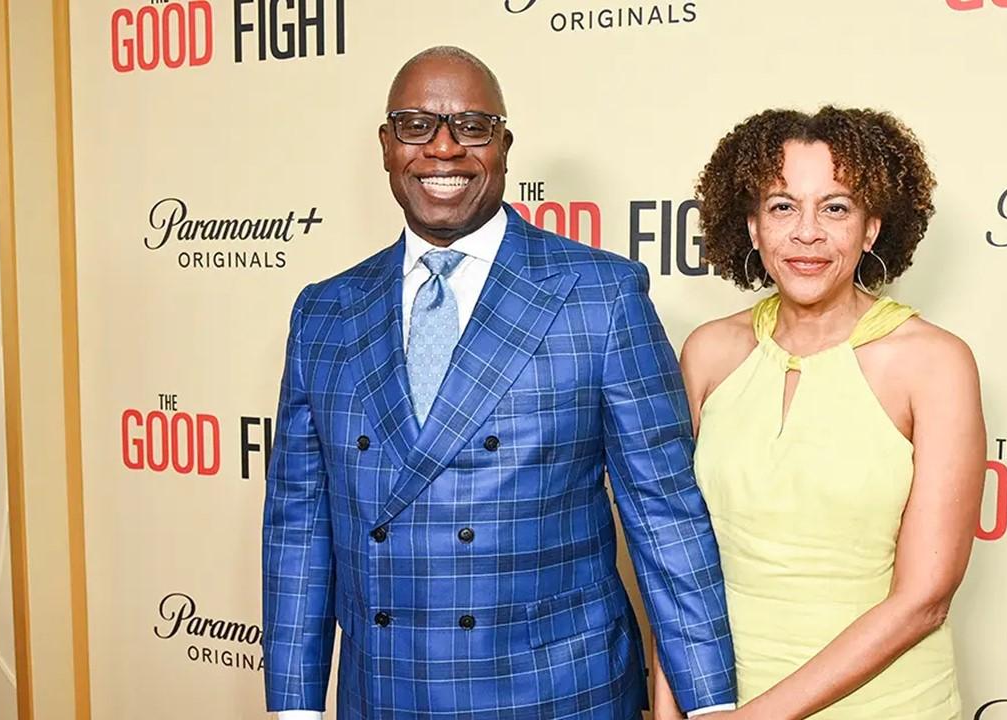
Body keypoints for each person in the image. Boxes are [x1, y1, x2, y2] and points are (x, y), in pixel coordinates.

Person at [261, 46, 736, 719]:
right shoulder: (325, 311)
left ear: (505, 145)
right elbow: (297, 527)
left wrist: (711, 704)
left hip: (559, 693)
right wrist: (294, 706)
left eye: (473, 127)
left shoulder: (600, 296)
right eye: (416, 125)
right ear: (387, 146)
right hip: (386, 693)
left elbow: (665, 515)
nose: (443, 149)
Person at [652, 107, 985, 719]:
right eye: (782, 206)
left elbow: (924, 599)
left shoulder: (935, 363)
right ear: (752, 227)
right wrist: (672, 707)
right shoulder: (707, 352)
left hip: (885, 705)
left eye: (835, 207)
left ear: (872, 228)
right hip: (720, 701)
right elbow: (676, 559)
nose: (807, 233)